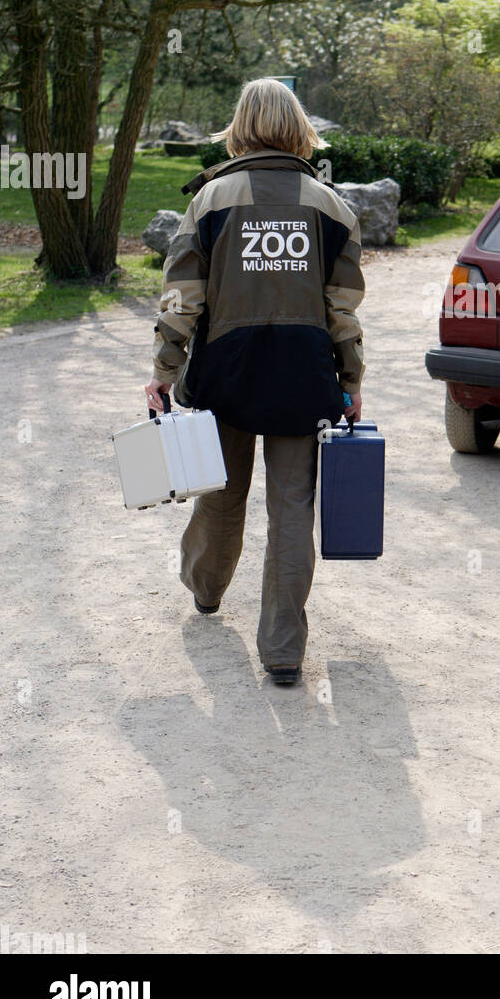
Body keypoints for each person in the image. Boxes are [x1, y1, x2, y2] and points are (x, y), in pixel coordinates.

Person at [143, 78, 365, 687]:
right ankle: (285, 652)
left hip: (225, 371)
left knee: (220, 492)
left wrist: (164, 370)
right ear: (299, 127)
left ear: (239, 125)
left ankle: (206, 591)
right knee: (293, 509)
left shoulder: (211, 199)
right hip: (305, 374)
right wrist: (352, 380)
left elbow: (182, 297)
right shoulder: (331, 205)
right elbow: (342, 308)